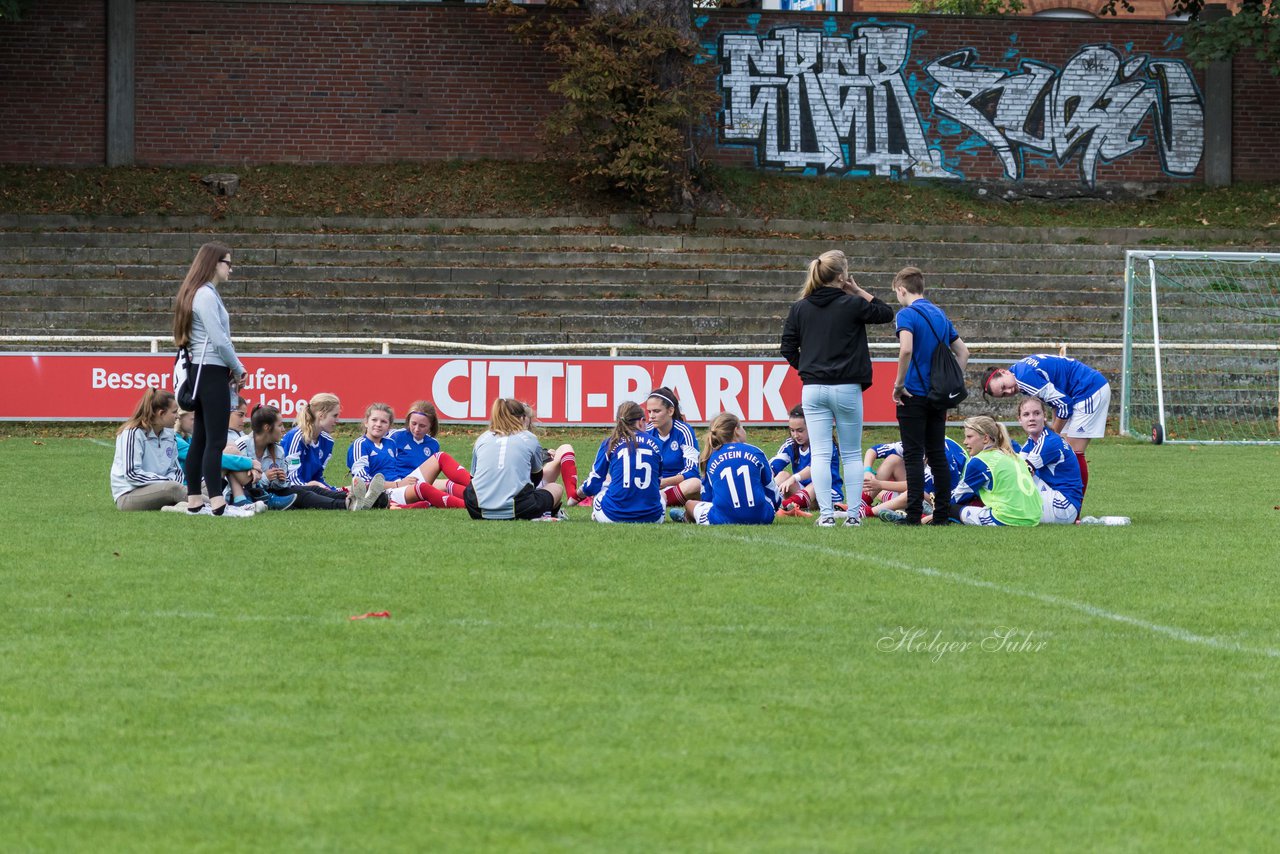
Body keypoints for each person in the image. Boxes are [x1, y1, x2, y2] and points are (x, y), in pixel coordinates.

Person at [780, 249, 894, 528]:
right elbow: (886, 313)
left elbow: (787, 348)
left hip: (814, 386)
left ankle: (827, 514)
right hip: (846, 386)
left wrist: (807, 366)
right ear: (841, 276)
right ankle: (854, 514)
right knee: (852, 452)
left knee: (820, 453)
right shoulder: (851, 303)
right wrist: (859, 291)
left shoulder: (801, 307)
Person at [172, 241, 254, 517]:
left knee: (202, 439)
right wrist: (239, 367)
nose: (230, 269)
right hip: (210, 372)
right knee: (215, 441)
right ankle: (217, 500)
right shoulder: (205, 295)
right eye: (227, 263)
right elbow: (219, 339)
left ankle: (196, 498)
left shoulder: (196, 293)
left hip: (203, 371)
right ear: (214, 263)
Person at [889, 265, 969, 526]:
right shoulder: (939, 314)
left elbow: (906, 350)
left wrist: (899, 385)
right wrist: (948, 381)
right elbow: (963, 352)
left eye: (897, 294)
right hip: (937, 396)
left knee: (913, 454)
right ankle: (942, 514)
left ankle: (913, 515)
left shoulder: (906, 315)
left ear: (902, 290)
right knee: (936, 454)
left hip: (912, 394)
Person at [982, 354, 1110, 502]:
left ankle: (1074, 507)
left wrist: (1051, 435)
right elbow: (1056, 400)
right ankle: (1062, 501)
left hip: (1088, 390)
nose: (1009, 392)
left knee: (1075, 452)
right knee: (1064, 448)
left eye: (1004, 386)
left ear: (1004, 372)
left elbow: (1063, 404)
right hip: (1078, 392)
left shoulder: (1024, 378)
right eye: (1003, 394)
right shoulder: (1018, 371)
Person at [237, 405, 379, 511]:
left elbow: (283, 485)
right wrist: (267, 478)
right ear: (267, 427)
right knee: (303, 493)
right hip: (252, 496)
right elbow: (239, 483)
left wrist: (280, 480)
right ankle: (347, 504)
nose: (283, 429)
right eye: (280, 425)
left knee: (311, 490)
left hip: (272, 491)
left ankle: (370, 499)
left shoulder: (278, 450)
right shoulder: (243, 445)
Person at [464, 398, 563, 520]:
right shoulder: (529, 438)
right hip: (519, 508)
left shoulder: (482, 438)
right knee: (556, 488)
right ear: (522, 418)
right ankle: (547, 514)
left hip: (477, 509)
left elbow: (473, 478)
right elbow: (536, 477)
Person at [677, 413, 779, 526]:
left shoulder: (710, 457)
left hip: (722, 519)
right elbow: (772, 490)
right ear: (736, 430)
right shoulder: (755, 451)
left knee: (690, 504)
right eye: (743, 427)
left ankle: (685, 516)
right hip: (763, 517)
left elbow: (707, 499)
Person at [578, 401, 666, 523]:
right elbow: (657, 481)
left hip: (613, 516)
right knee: (661, 496)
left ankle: (597, 514)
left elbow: (593, 483)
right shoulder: (657, 443)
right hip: (653, 517)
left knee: (602, 491)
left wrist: (577, 494)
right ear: (641, 421)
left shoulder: (610, 443)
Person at [948, 416, 1041, 527]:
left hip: (1006, 518)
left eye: (969, 437)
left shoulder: (980, 461)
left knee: (950, 509)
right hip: (1034, 517)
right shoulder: (1012, 455)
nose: (964, 442)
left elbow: (957, 497)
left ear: (986, 438)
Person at [381, 400, 471, 509]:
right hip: (401, 484)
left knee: (448, 484)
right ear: (408, 420)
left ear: (431, 426)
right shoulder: (395, 437)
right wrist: (397, 483)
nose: (417, 429)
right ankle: (476, 496)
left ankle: (481, 495)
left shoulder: (433, 444)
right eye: (413, 423)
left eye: (422, 426)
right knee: (440, 458)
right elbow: (383, 465)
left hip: (419, 482)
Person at [110, 388, 187, 511]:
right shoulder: (133, 433)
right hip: (129, 495)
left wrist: (170, 483)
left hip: (164, 489)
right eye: (174, 412)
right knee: (174, 489)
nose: (178, 416)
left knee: (203, 485)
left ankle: (185, 506)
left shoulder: (169, 434)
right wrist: (167, 482)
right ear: (161, 413)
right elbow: (132, 474)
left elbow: (176, 469)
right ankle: (219, 508)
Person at [861, 436, 967, 523]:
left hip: (941, 499)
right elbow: (873, 450)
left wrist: (880, 484)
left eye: (969, 437)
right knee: (893, 460)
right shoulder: (916, 441)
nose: (965, 441)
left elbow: (915, 487)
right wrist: (867, 470)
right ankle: (862, 503)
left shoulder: (940, 454)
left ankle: (865, 512)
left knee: (913, 493)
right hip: (923, 492)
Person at [1013, 396, 1084, 525]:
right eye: (1026, 414)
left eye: (1037, 413)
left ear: (1044, 416)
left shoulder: (1049, 442)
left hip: (1063, 507)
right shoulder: (1030, 442)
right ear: (1020, 420)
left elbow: (1021, 474)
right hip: (1058, 504)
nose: (1031, 418)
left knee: (1019, 475)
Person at [770, 404, 843, 518]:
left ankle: (783, 507)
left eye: (800, 430)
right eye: (792, 430)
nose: (795, 435)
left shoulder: (824, 443)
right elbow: (774, 465)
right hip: (804, 494)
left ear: (812, 426)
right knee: (782, 475)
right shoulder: (791, 444)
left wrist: (794, 478)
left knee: (817, 482)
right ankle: (768, 504)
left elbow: (815, 468)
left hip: (828, 495)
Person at [644, 387, 702, 508]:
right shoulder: (646, 433)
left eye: (656, 411)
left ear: (670, 411)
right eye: (649, 412)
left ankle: (656, 500)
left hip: (678, 485)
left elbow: (692, 471)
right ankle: (660, 499)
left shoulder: (684, 431)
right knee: (608, 476)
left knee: (695, 484)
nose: (651, 416)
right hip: (651, 484)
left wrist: (664, 483)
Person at [283, 393, 342, 489]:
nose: (337, 420)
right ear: (321, 415)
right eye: (334, 415)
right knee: (336, 500)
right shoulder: (296, 437)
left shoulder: (328, 441)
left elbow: (318, 477)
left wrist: (329, 489)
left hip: (310, 491)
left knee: (343, 494)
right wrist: (320, 488)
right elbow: (292, 481)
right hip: (292, 491)